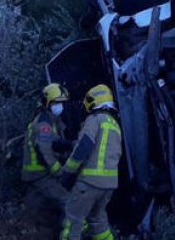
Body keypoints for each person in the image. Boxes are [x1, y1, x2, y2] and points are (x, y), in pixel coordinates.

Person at [59, 84, 122, 240]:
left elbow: (84, 146)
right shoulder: (114, 125)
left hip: (90, 183)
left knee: (72, 221)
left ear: (94, 100)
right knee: (98, 222)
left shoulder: (94, 119)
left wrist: (68, 171)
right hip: (109, 186)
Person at [20, 83, 71, 232]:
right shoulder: (44, 122)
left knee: (48, 211)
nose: (60, 106)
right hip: (38, 174)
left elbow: (54, 142)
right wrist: (58, 171)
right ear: (48, 103)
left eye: (62, 103)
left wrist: (70, 146)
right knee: (67, 201)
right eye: (57, 103)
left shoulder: (50, 119)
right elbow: (44, 149)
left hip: (40, 173)